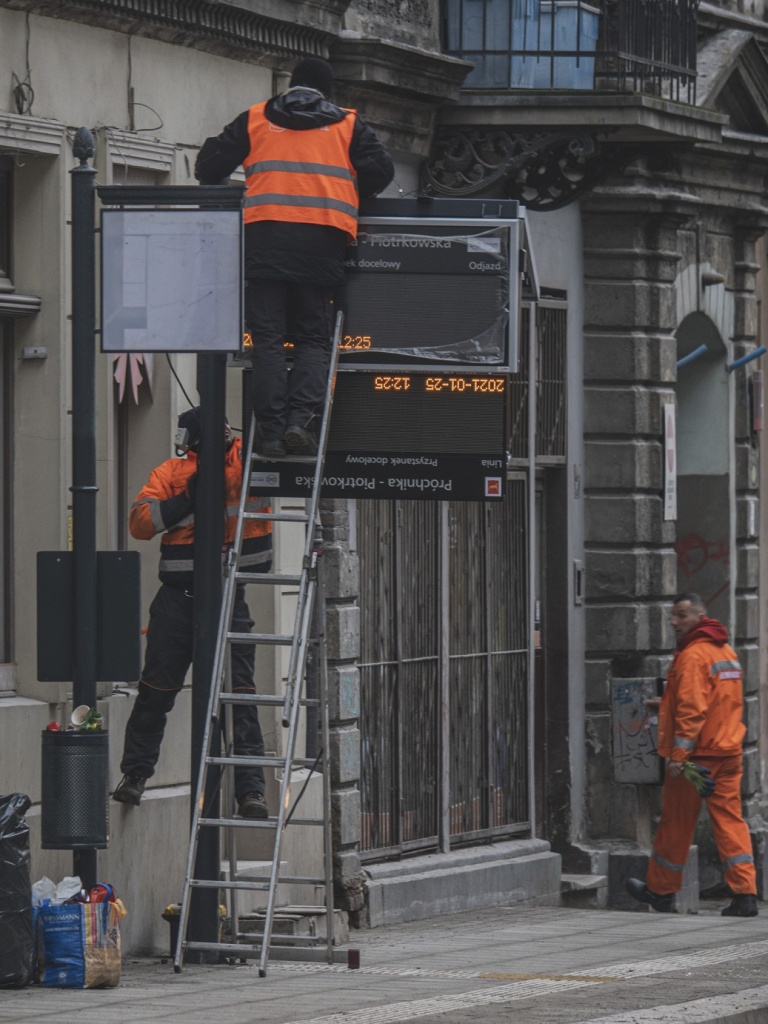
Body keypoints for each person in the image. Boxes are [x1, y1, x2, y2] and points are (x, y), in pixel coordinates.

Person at [195, 57, 394, 458]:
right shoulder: (347, 125)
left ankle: (270, 433)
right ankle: (299, 422)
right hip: (322, 244)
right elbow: (382, 172)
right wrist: (350, 192)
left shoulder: (256, 119)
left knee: (267, 339)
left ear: (290, 86)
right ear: (327, 92)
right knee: (313, 338)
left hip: (264, 241)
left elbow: (208, 165)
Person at [113, 407, 273, 819]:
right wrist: (188, 497)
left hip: (228, 596)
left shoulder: (246, 461)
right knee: (155, 692)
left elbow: (263, 464)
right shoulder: (172, 472)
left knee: (241, 697)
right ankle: (135, 774)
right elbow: (140, 523)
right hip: (178, 600)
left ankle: (251, 792)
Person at [626, 592, 758, 917]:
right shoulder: (725, 651)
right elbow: (715, 702)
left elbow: (693, 709)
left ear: (700, 617)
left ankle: (660, 891)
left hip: (697, 759)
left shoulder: (692, 655)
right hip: (728, 751)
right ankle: (745, 895)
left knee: (676, 823)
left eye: (681, 615)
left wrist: (679, 756)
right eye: (673, 615)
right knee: (730, 821)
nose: (674, 621)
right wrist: (666, 706)